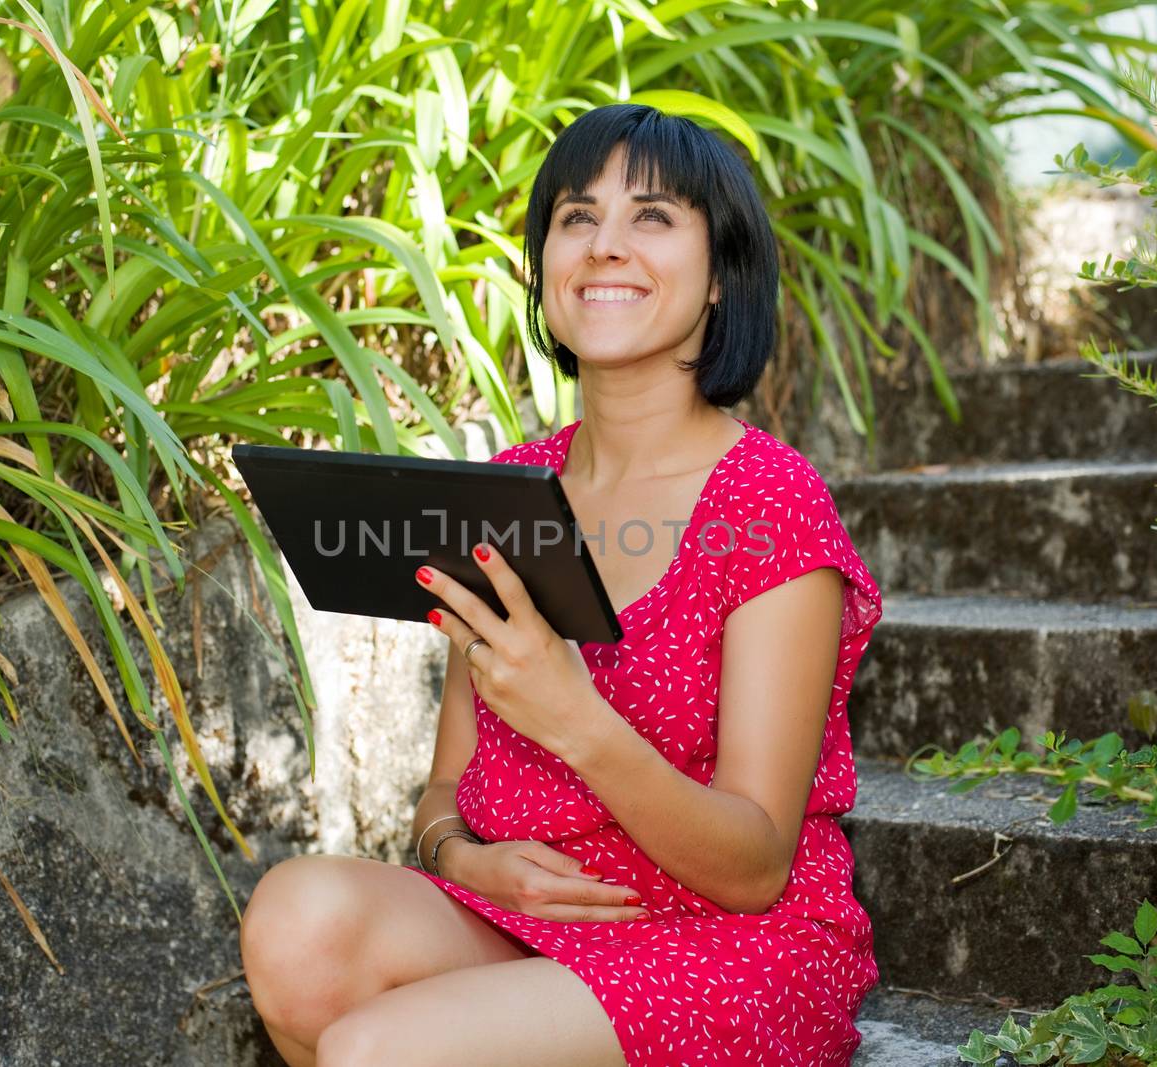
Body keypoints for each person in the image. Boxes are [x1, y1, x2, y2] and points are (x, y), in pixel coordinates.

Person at [238, 102, 884, 1067]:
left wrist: (572, 714)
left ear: (721, 279)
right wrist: (463, 855)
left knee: (377, 1050)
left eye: (653, 217)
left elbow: (754, 866)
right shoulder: (509, 486)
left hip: (723, 938)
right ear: (545, 265)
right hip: (528, 915)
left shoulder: (768, 503)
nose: (605, 246)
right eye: (577, 218)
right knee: (295, 923)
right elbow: (447, 786)